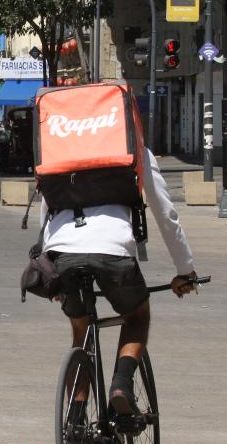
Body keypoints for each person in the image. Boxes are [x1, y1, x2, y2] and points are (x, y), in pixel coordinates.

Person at [42, 147, 197, 416]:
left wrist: (50, 270)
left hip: (62, 253)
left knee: (81, 332)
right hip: (113, 250)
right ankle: (121, 386)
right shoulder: (133, 147)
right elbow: (165, 212)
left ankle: (75, 421)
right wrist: (185, 270)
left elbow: (47, 206)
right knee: (137, 316)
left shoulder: (64, 143)